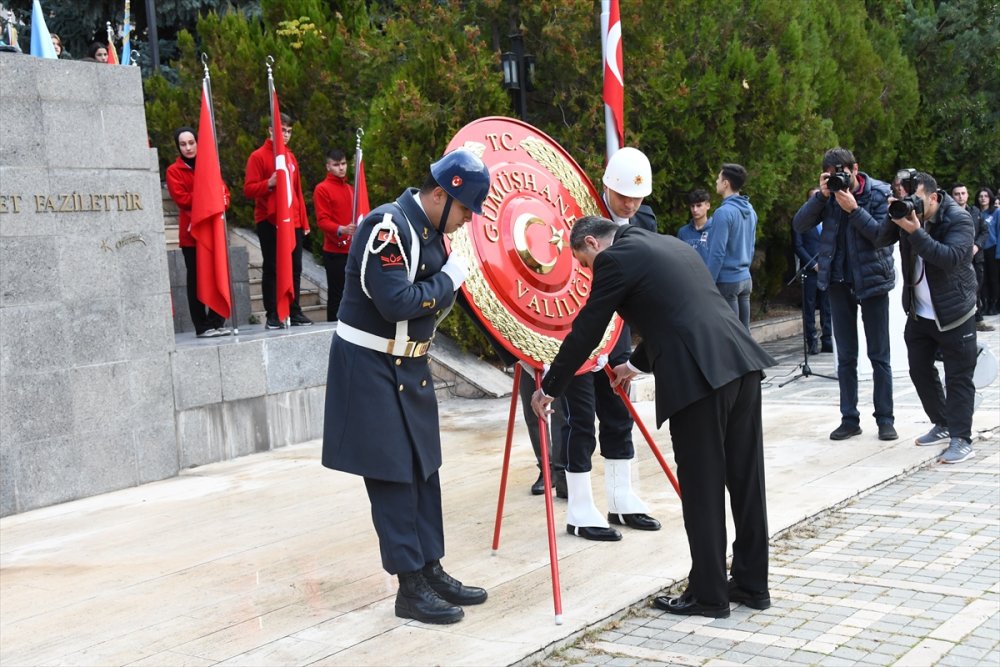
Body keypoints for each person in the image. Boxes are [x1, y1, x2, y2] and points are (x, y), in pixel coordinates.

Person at [531, 216, 776, 619]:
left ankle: (709, 595)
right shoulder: (670, 245)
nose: (589, 271)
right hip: (741, 365)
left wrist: (550, 387)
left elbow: (588, 329)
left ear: (592, 242)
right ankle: (752, 585)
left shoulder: (616, 259)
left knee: (703, 489)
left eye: (585, 262)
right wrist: (635, 365)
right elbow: (679, 314)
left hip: (699, 382)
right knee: (747, 482)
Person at [321, 149, 491, 625]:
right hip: (371, 366)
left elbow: (424, 303)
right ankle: (409, 587)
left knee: (423, 470)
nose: (464, 222)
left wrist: (440, 283)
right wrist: (447, 281)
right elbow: (396, 301)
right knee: (393, 477)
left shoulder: (430, 233)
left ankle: (430, 568)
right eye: (463, 211)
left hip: (407, 367)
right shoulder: (388, 228)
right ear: (441, 194)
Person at [557, 147, 660, 543]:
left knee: (619, 412)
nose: (631, 205)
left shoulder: (644, 220)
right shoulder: (578, 213)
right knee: (580, 418)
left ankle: (621, 497)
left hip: (617, 329)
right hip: (577, 327)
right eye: (623, 198)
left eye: (637, 198)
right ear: (606, 188)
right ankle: (580, 507)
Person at [792, 147, 897, 442]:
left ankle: (885, 419)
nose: (839, 178)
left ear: (855, 168)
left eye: (843, 172)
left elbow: (881, 235)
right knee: (846, 357)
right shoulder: (826, 196)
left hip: (872, 281)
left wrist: (853, 208)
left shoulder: (878, 193)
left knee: (879, 355)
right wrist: (821, 197)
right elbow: (799, 225)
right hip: (838, 283)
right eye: (832, 174)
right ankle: (849, 418)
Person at [875, 171, 978, 464]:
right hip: (920, 313)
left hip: (955, 312)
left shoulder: (958, 218)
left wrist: (915, 231)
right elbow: (879, 239)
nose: (913, 206)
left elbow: (948, 258)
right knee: (919, 370)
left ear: (933, 197)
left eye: (917, 200)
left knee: (958, 377)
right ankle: (943, 422)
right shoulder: (909, 215)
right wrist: (890, 214)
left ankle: (962, 438)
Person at [243, 113, 313, 330]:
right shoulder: (258, 156)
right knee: (273, 267)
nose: (286, 134)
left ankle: (294, 309)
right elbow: (248, 189)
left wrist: (304, 221)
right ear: (271, 130)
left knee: (295, 267)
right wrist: (269, 183)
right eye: (282, 130)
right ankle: (273, 314)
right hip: (269, 220)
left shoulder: (290, 157)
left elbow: (297, 192)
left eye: (289, 131)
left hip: (293, 222)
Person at [165, 126, 231, 338]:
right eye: (183, 144)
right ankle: (202, 326)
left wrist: (218, 199)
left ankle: (217, 320)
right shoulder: (174, 171)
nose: (188, 147)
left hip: (213, 233)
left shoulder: (209, 165)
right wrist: (207, 196)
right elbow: (182, 199)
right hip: (192, 236)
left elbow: (223, 193)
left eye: (191, 142)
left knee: (216, 275)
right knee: (196, 281)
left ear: (197, 143)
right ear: (178, 147)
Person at [706, 163, 757, 329]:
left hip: (727, 281)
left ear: (726, 183)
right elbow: (751, 246)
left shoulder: (723, 213)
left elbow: (717, 253)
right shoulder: (750, 209)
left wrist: (708, 283)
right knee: (745, 335)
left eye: (718, 178)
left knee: (732, 335)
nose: (716, 181)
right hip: (745, 278)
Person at [313, 148, 355, 322]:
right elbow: (322, 221)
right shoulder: (322, 189)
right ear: (328, 166)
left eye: (343, 164)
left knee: (353, 294)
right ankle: (333, 330)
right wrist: (341, 229)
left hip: (353, 250)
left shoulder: (351, 189)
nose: (341, 168)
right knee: (337, 295)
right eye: (336, 165)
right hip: (335, 250)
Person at [517, 360, 567, 497]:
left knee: (562, 411)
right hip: (526, 348)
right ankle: (547, 469)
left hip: (558, 347)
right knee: (533, 411)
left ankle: (563, 472)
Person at [792, 188, 832, 355]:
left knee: (827, 306)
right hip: (810, 270)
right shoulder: (801, 219)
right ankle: (812, 341)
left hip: (827, 270)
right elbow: (798, 245)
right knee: (809, 307)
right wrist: (812, 264)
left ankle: (828, 340)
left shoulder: (829, 218)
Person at [951, 183, 991, 331]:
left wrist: (977, 246)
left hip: (976, 257)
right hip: (958, 258)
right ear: (952, 196)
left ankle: (977, 318)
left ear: (967, 195)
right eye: (957, 194)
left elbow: (985, 232)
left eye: (963, 193)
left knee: (977, 287)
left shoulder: (975, 212)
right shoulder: (948, 214)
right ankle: (964, 320)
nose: (960, 196)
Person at [976, 187, 998, 316]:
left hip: (993, 248)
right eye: (980, 196)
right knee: (982, 279)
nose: (983, 198)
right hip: (979, 249)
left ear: (990, 198)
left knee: (993, 279)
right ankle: (984, 303)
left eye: (986, 196)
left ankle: (993, 304)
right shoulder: (975, 213)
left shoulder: (996, 212)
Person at [676, 188, 712, 265]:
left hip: (709, 276)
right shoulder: (683, 232)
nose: (695, 210)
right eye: (692, 206)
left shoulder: (716, 230)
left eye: (699, 205)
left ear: (708, 206)